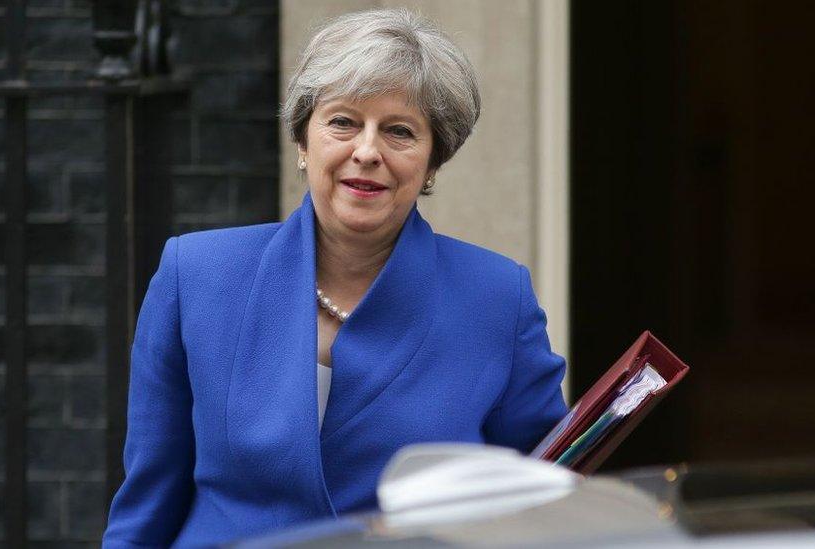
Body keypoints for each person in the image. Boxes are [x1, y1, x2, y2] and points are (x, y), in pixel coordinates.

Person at [103, 8, 567, 547]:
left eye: (399, 131)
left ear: (433, 161)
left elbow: (543, 498)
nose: (366, 152)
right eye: (343, 122)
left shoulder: (496, 299)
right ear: (303, 142)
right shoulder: (196, 276)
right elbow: (147, 505)